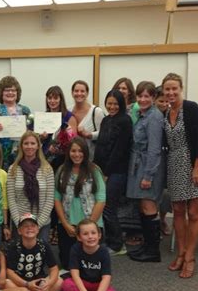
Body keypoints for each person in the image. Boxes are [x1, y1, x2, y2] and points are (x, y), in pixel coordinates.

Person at [162, 73, 198, 279]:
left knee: (193, 213)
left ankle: (190, 256)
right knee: (177, 210)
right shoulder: (166, 112)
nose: (171, 92)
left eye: (174, 88)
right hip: (174, 165)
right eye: (167, 89)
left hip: (194, 165)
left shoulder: (191, 108)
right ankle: (181, 253)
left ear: (181, 88)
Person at [126, 81, 165, 263]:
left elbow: (155, 149)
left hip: (149, 167)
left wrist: (148, 176)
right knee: (143, 206)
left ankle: (152, 250)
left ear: (154, 98)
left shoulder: (154, 117)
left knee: (149, 206)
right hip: (138, 165)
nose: (142, 99)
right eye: (140, 96)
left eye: (146, 96)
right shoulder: (142, 115)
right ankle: (147, 245)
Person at [54, 137, 106, 269]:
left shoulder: (94, 171)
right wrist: (65, 224)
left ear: (86, 152)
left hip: (90, 226)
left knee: (89, 265)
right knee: (68, 264)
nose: (77, 154)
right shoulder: (62, 170)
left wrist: (88, 227)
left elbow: (101, 199)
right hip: (68, 225)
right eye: (73, 151)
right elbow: (57, 198)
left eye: (80, 151)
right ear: (68, 152)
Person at [94, 90, 132, 256]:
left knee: (108, 207)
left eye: (115, 104)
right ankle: (108, 240)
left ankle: (117, 245)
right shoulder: (106, 120)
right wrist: (95, 169)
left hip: (116, 171)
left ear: (121, 104)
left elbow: (119, 150)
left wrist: (107, 172)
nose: (112, 107)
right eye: (109, 103)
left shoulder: (125, 121)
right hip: (102, 170)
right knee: (101, 206)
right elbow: (100, 145)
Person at [5, 213, 62, 291]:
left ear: (38, 229)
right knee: (7, 283)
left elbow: (54, 268)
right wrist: (27, 284)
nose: (29, 228)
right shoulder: (14, 246)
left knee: (60, 282)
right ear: (19, 231)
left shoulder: (43, 245)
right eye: (25, 226)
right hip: (21, 283)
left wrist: (49, 283)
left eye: (33, 226)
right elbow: (10, 272)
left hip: (39, 282)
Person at [62, 219, 120, 291]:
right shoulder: (75, 248)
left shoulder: (104, 251)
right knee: (66, 284)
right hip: (82, 282)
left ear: (99, 235)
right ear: (79, 237)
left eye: (93, 233)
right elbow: (75, 274)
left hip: (97, 285)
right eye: (85, 234)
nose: (90, 237)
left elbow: (106, 277)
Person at [7, 131, 54, 242]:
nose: (29, 146)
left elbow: (50, 200)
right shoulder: (13, 169)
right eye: (26, 143)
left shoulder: (47, 169)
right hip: (20, 223)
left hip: (42, 224)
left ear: (38, 146)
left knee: (41, 257)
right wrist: (20, 222)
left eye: (33, 143)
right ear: (21, 146)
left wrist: (38, 225)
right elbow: (11, 199)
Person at [0, 75, 32, 170]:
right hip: (1, 156)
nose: (10, 92)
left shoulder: (25, 110)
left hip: (22, 155)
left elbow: (32, 134)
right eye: (7, 90)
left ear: (17, 93)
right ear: (1, 93)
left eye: (13, 90)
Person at [41, 85, 78, 170]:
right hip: (45, 157)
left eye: (55, 98)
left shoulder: (69, 117)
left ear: (60, 99)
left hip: (63, 158)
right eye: (49, 98)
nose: (52, 101)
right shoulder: (43, 116)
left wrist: (59, 148)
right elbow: (37, 141)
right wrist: (41, 138)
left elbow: (73, 141)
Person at [70, 80, 104, 161]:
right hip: (72, 159)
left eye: (82, 91)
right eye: (76, 91)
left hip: (91, 159)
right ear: (72, 93)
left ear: (87, 93)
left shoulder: (96, 111)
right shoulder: (68, 111)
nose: (79, 93)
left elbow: (104, 133)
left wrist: (89, 135)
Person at [154, 86, 172, 236]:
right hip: (151, 159)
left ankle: (162, 218)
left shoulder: (172, 116)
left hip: (167, 158)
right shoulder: (149, 114)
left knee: (165, 193)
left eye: (167, 101)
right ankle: (151, 221)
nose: (164, 104)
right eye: (161, 101)